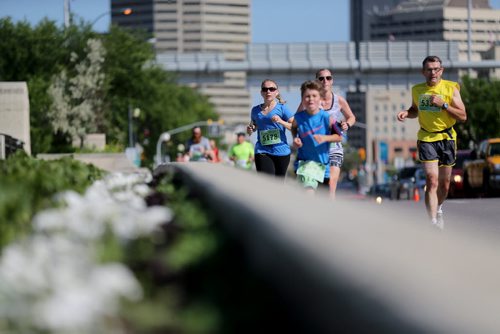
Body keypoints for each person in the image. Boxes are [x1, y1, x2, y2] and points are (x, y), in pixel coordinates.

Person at [397, 55, 467, 229]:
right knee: (431, 180)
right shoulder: (417, 90)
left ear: (441, 71)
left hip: (447, 138)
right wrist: (407, 112)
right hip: (427, 137)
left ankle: (439, 208)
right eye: (429, 69)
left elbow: (463, 116)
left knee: (444, 185)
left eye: (436, 69)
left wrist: (444, 105)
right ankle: (433, 223)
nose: (433, 72)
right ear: (423, 72)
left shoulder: (451, 88)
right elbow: (415, 110)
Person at [297, 69, 356, 199]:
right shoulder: (310, 100)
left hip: (334, 146)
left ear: (332, 81)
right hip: (315, 149)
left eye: (328, 78)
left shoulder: (339, 100)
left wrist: (347, 124)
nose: (325, 81)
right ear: (316, 81)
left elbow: (351, 117)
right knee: (314, 186)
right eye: (321, 78)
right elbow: (297, 119)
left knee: (331, 184)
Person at [291, 80, 342, 193]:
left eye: (314, 96)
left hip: (323, 167)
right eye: (307, 96)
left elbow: (339, 136)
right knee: (309, 193)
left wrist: (325, 138)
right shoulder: (298, 117)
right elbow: (294, 127)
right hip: (306, 165)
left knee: (321, 202)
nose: (311, 99)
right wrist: (295, 138)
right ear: (303, 99)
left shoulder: (327, 118)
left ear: (320, 99)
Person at [247, 79, 294, 178]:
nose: (268, 91)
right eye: (265, 89)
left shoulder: (282, 108)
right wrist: (251, 129)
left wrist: (280, 121)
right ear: (261, 92)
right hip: (262, 150)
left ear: (276, 92)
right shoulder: (255, 110)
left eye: (271, 89)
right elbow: (254, 125)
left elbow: (294, 127)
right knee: (266, 181)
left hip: (281, 151)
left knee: (278, 185)